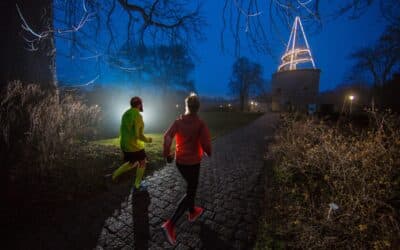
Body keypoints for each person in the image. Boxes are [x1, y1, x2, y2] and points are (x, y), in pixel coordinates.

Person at [161, 93, 212, 245]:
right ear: (198, 108)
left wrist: (167, 154)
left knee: (191, 186)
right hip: (194, 163)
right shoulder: (200, 124)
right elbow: (206, 143)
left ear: (186, 106)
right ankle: (170, 224)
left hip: (180, 162)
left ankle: (191, 212)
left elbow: (167, 137)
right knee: (191, 191)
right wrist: (209, 152)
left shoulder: (178, 122)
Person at [112, 96, 152, 191]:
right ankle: (137, 185)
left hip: (124, 144)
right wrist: (148, 140)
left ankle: (114, 175)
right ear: (139, 104)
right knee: (142, 162)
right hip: (134, 145)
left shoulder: (125, 113)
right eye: (141, 104)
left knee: (132, 162)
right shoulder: (137, 116)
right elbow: (138, 135)